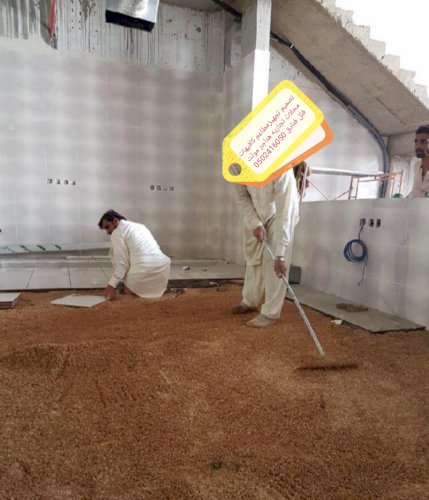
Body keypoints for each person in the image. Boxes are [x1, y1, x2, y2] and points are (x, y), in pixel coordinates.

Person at [232, 169, 300, 328]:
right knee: (252, 256)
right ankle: (250, 301)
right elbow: (242, 197)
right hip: (255, 212)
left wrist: (280, 254)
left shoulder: (282, 169)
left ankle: (270, 313)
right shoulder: (235, 165)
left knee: (273, 261)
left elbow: (284, 212)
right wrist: (255, 223)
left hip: (279, 214)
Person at [98, 210, 170, 300]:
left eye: (107, 227)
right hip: (162, 272)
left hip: (141, 276)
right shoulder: (141, 226)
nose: (108, 232)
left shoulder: (117, 233)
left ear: (115, 221)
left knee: (127, 279)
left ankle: (135, 291)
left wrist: (111, 285)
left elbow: (122, 263)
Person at [407, 124, 429, 198]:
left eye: (423, 141)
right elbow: (416, 191)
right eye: (416, 142)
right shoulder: (417, 165)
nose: (418, 146)